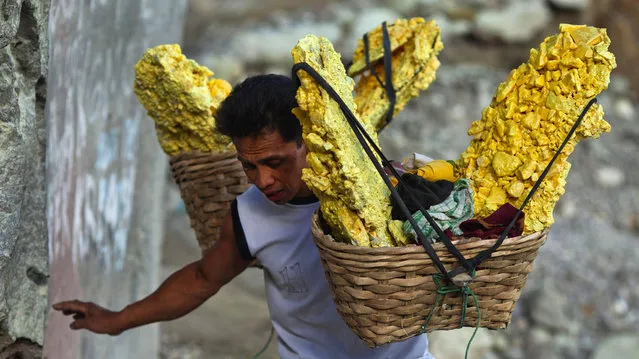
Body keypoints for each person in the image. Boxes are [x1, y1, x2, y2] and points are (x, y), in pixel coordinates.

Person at [53, 74, 435, 358]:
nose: (263, 181)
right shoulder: (249, 215)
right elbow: (202, 278)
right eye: (248, 167)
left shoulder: (379, 189)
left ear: (309, 141)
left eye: (275, 162)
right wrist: (119, 320)